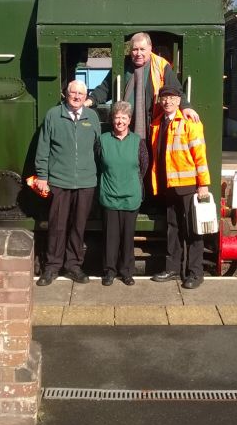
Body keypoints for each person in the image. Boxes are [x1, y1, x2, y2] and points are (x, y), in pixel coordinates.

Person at [34, 80, 101, 286]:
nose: (77, 96)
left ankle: (73, 265)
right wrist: (42, 177)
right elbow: (43, 148)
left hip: (85, 182)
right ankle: (52, 266)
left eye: (81, 93)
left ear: (85, 96)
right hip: (59, 181)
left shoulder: (92, 117)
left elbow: (98, 148)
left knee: (78, 226)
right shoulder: (54, 115)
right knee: (57, 226)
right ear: (66, 94)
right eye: (73, 92)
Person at [149, 84, 210, 289]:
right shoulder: (157, 123)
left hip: (188, 186)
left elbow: (200, 156)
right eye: (164, 98)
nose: (167, 101)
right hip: (169, 186)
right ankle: (173, 268)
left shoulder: (189, 123)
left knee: (193, 230)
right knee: (172, 229)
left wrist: (203, 184)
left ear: (179, 100)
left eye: (172, 98)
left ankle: (195, 272)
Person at [85, 32, 199, 139]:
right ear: (130, 51)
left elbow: (176, 90)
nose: (138, 53)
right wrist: (90, 100)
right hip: (126, 126)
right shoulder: (123, 65)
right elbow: (106, 88)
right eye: (135, 49)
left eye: (142, 49)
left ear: (150, 49)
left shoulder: (161, 65)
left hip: (154, 124)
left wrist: (186, 107)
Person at [99, 101, 149, 286]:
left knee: (128, 237)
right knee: (110, 237)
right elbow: (98, 164)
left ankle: (127, 271)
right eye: (117, 117)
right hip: (109, 195)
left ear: (130, 120)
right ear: (112, 119)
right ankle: (109, 271)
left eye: (124, 118)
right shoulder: (103, 140)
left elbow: (143, 167)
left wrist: (129, 181)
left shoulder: (138, 142)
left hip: (131, 197)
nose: (120, 121)